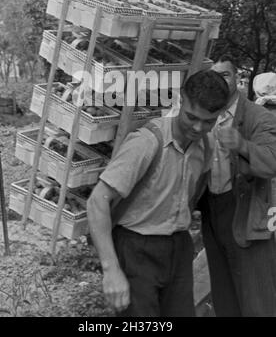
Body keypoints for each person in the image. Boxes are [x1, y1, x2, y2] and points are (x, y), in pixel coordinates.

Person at [87, 70, 229, 317]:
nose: (198, 127)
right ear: (180, 101)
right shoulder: (146, 143)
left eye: (208, 121)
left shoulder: (206, 146)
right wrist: (111, 270)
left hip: (178, 247)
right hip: (136, 248)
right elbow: (97, 201)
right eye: (192, 117)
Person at [198, 55, 276, 316]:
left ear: (239, 79)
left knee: (255, 294)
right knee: (223, 290)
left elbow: (271, 163)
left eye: (226, 75)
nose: (219, 80)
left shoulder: (258, 116)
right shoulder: (206, 115)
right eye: (214, 75)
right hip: (212, 210)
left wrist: (242, 145)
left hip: (245, 207)